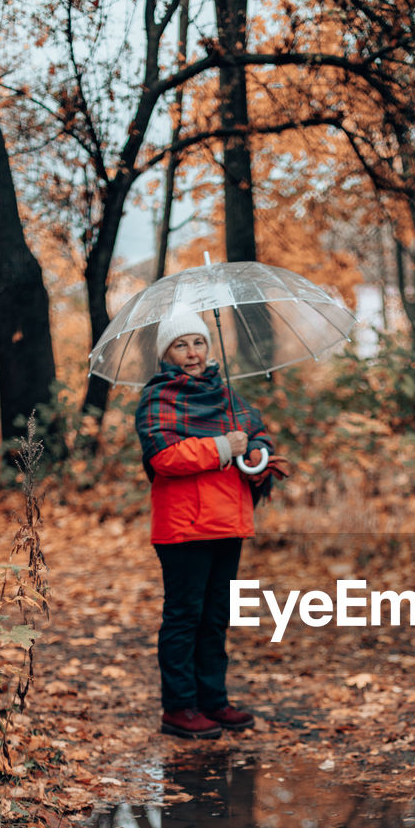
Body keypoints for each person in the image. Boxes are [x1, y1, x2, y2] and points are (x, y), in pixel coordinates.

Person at [135, 307, 287, 740]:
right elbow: (164, 458)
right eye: (181, 345)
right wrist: (222, 445)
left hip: (229, 519)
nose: (192, 352)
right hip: (184, 525)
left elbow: (257, 437)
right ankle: (179, 708)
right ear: (167, 352)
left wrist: (255, 453)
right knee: (185, 616)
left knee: (216, 616)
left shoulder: (227, 396)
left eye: (198, 342)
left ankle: (213, 701)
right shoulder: (157, 399)